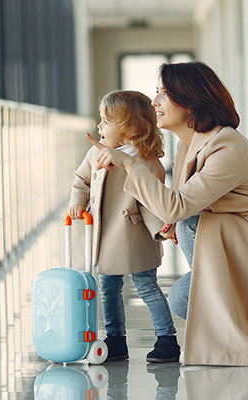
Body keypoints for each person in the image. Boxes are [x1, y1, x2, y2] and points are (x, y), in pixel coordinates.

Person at [85, 62, 248, 366]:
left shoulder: (227, 146)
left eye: (163, 93)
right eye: (155, 93)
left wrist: (130, 164)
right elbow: (174, 208)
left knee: (188, 224)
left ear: (190, 102)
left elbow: (177, 206)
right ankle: (240, 319)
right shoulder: (190, 144)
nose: (154, 102)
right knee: (182, 298)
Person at [69, 90, 180, 363]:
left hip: (134, 235)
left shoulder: (146, 162)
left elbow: (150, 201)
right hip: (104, 235)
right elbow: (81, 180)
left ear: (129, 129)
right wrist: (77, 201)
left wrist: (161, 228)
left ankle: (167, 340)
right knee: (107, 288)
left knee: (147, 287)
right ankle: (115, 339)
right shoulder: (95, 154)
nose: (99, 127)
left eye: (106, 121)